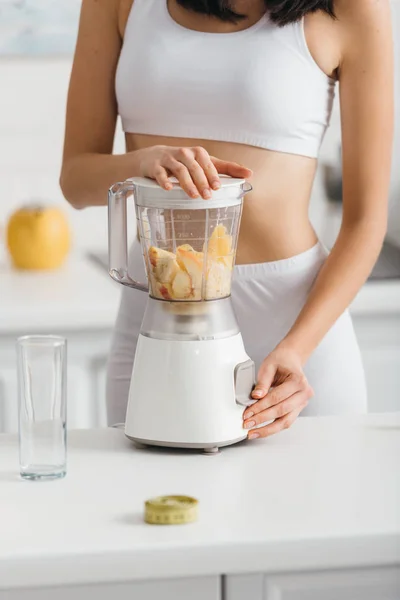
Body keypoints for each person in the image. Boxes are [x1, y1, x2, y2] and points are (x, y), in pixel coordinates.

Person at [61, 0, 394, 438]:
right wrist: (143, 162)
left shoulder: (355, 8)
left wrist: (296, 350)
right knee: (155, 506)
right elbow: (76, 178)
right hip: (157, 328)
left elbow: (366, 221)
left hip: (295, 341)